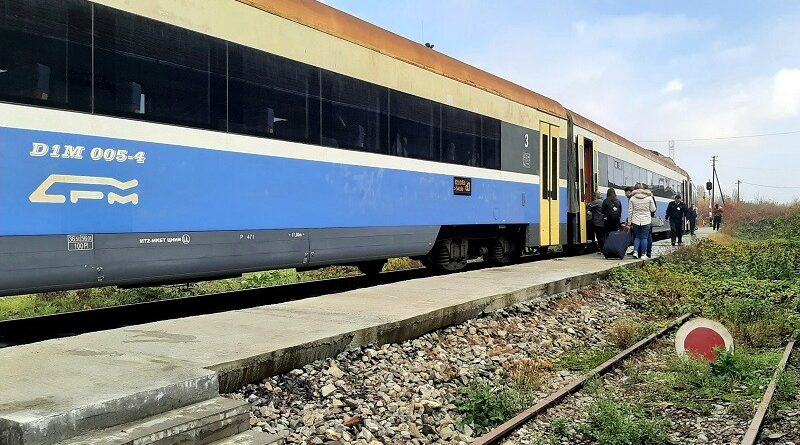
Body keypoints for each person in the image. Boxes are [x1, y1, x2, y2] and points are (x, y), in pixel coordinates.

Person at [628, 183, 656, 259]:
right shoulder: (649, 198)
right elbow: (653, 209)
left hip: (635, 220)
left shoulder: (632, 198)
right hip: (646, 220)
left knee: (637, 237)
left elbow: (630, 211)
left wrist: (629, 221)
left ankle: (635, 252)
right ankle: (643, 254)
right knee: (644, 237)